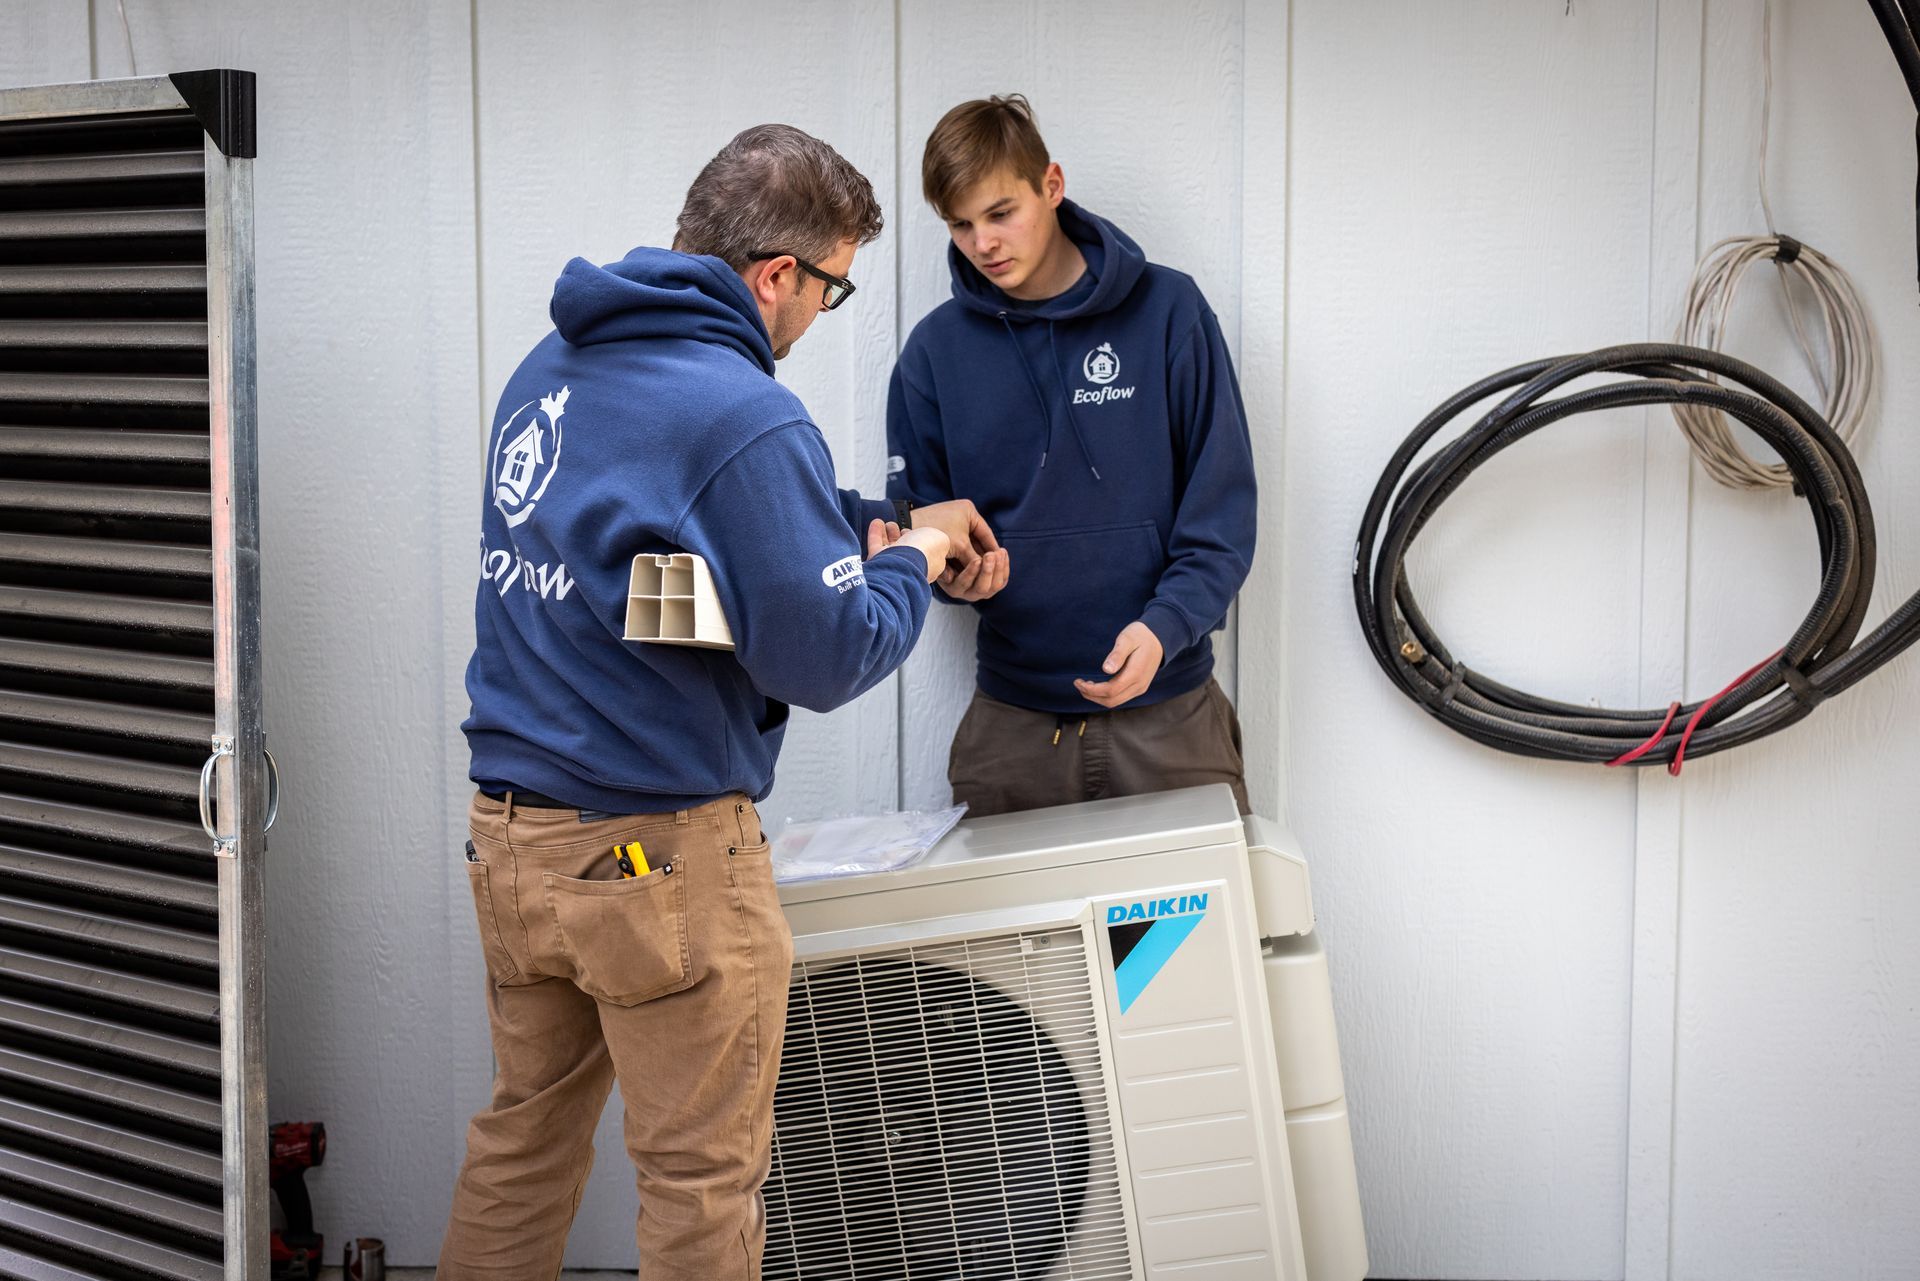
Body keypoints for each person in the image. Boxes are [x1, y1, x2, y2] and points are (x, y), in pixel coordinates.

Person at [440, 123, 996, 1280]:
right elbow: (829, 654)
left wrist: (845, 529)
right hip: (657, 865)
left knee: (520, 1148)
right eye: (831, 289)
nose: (818, 317)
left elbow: (651, 566)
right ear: (776, 275)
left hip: (512, 843)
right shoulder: (740, 412)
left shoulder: (550, 371)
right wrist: (916, 556)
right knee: (701, 1186)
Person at [887, 94, 1257, 818]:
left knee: (1194, 936)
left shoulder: (1170, 315)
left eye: (1000, 213)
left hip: (1171, 720)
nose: (982, 243)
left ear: (1051, 186)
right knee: (1003, 936)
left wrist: (1164, 628)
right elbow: (923, 526)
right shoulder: (933, 355)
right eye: (960, 225)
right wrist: (952, 576)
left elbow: (1223, 516)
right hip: (1013, 729)